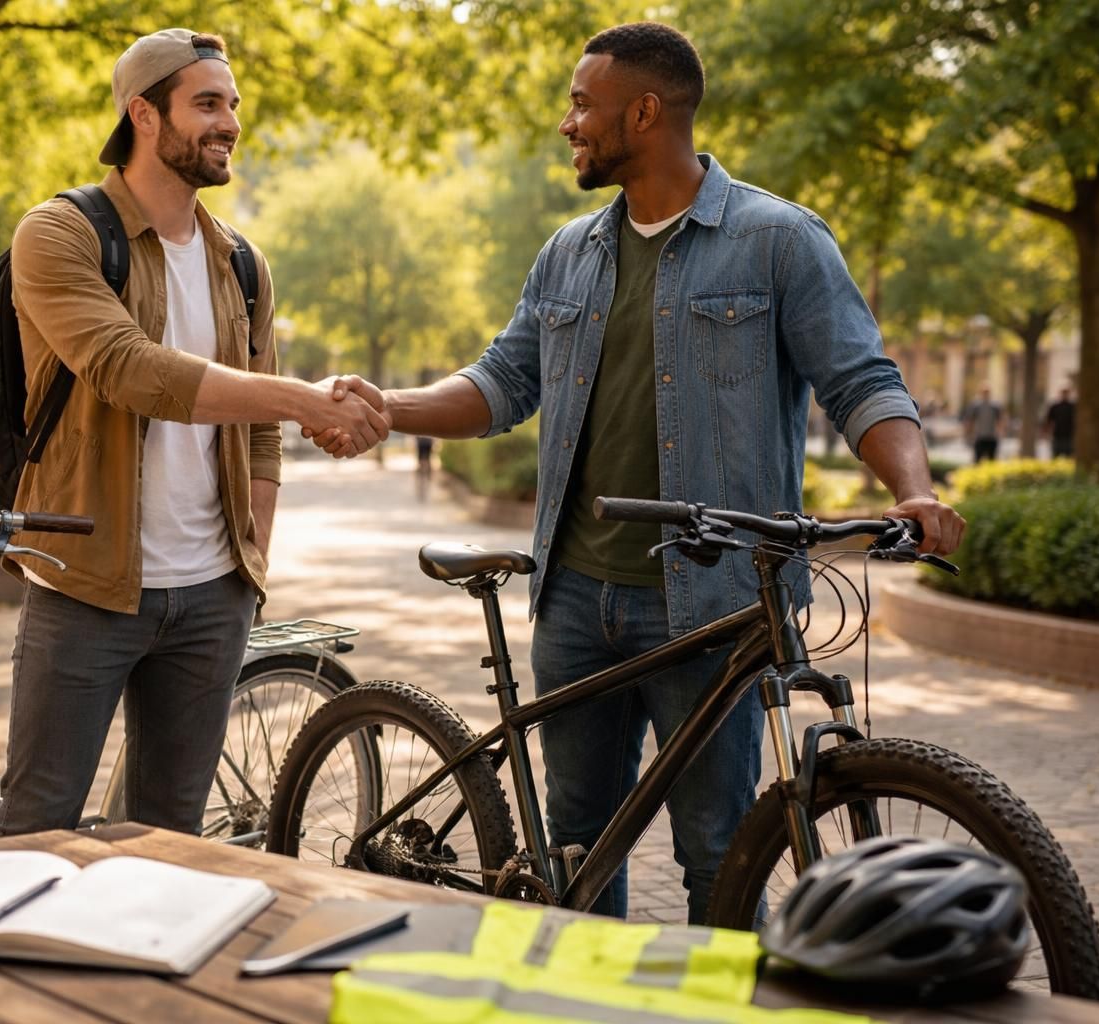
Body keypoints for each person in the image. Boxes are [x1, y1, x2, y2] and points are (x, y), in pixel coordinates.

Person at [311, 22, 963, 923]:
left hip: (712, 603)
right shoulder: (570, 251)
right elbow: (504, 382)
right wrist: (385, 406)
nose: (568, 122)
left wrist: (912, 490)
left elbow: (860, 380)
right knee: (577, 848)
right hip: (577, 596)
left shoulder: (778, 241)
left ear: (646, 111)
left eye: (584, 103)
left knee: (718, 855)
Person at [0, 28, 388, 839]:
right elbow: (131, 370)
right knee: (37, 831)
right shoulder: (59, 233)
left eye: (233, 104)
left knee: (173, 841)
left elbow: (262, 435)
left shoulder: (241, 262)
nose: (230, 122)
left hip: (213, 596)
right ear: (144, 113)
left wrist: (249, 567)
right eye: (207, 103)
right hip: (86, 584)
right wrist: (308, 398)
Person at [962, 388, 1004, 463]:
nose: (985, 394)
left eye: (987, 392)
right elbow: (970, 420)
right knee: (977, 461)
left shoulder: (995, 406)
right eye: (984, 392)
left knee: (992, 462)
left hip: (992, 437)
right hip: (979, 437)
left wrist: (1000, 433)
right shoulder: (976, 405)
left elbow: (1000, 420)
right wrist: (968, 433)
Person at [1043, 388, 1075, 458]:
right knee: (1055, 455)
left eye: (1066, 394)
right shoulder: (1055, 407)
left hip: (1069, 436)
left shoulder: (1073, 407)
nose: (1064, 395)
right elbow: (1049, 420)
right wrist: (1046, 433)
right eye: (1063, 394)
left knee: (1068, 456)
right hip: (1057, 436)